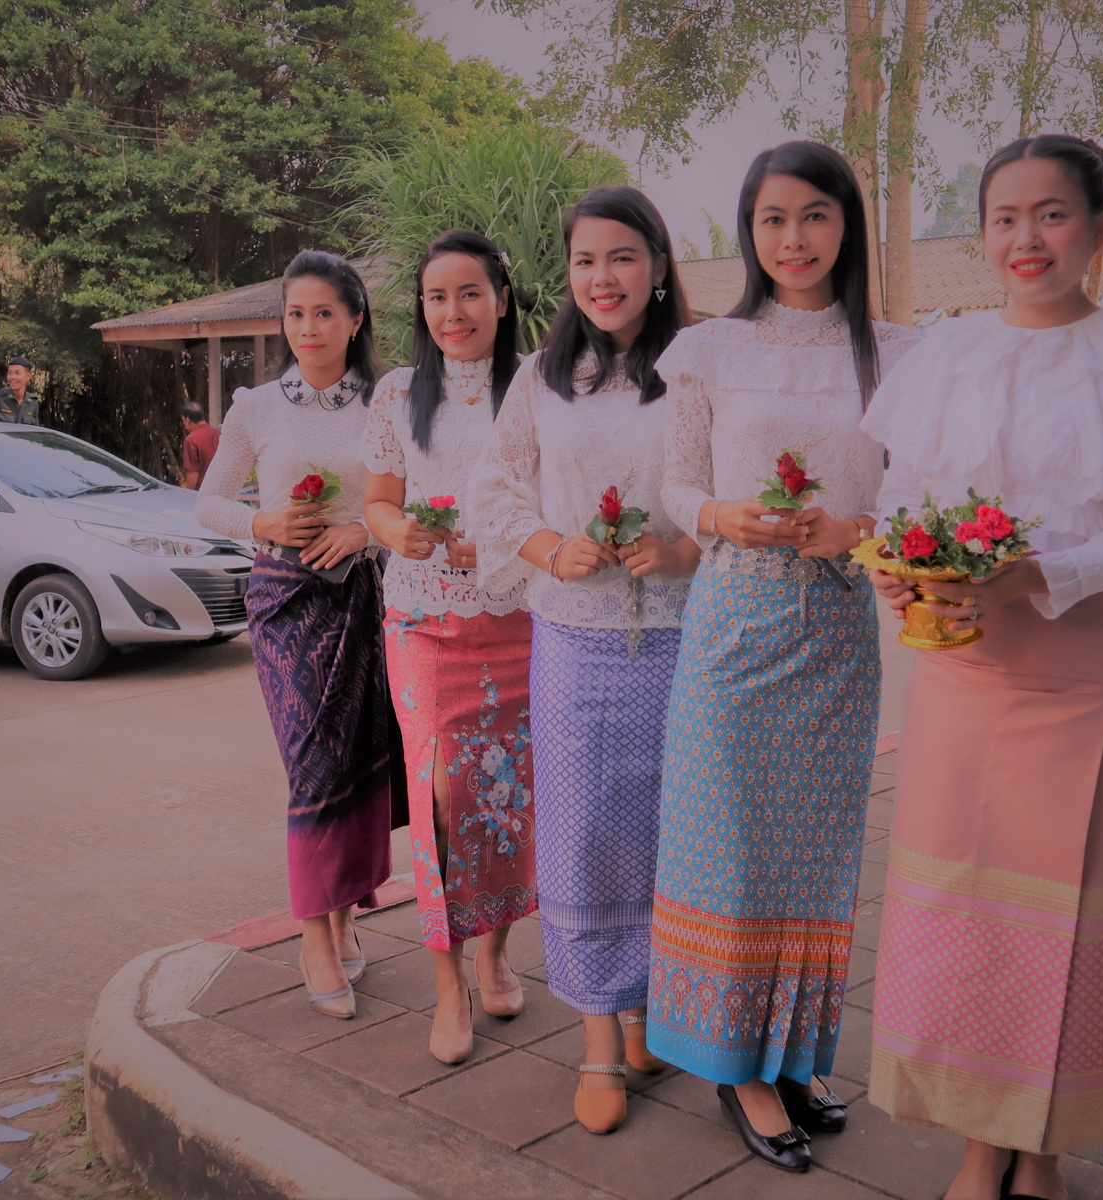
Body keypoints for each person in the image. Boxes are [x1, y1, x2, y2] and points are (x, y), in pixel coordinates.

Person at [859, 135, 1103, 1200]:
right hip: (965, 667)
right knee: (965, 908)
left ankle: (1048, 1143)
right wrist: (898, 571)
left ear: (1099, 228)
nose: (1028, 238)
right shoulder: (948, 353)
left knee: (1073, 911)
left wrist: (1042, 575)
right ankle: (981, 1139)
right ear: (982, 236)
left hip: (1091, 667)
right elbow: (903, 498)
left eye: (1052, 214)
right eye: (1005, 218)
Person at [647, 141, 917, 1172]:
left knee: (818, 851)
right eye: (773, 218)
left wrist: (856, 529)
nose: (793, 238)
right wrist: (723, 514)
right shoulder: (709, 349)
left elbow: (917, 492)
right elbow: (677, 483)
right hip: (732, 621)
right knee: (732, 846)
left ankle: (797, 1054)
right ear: (750, 230)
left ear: (847, 224)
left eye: (814, 215)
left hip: (839, 626)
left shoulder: (894, 353)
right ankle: (739, 1067)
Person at [469, 187, 697, 1134]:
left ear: (658, 265)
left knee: (667, 833)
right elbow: (493, 487)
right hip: (573, 642)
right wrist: (547, 547)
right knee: (585, 833)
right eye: (585, 261)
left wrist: (682, 550)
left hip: (681, 639)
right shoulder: (541, 377)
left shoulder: (695, 369)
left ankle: (647, 1010)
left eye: (622, 257)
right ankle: (600, 1038)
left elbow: (727, 490)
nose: (603, 278)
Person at [194, 250, 407, 1021]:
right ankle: (314, 937)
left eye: (323, 313)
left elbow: (416, 502)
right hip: (284, 602)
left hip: (363, 600)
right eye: (295, 313)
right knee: (313, 766)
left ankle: (344, 916)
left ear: (355, 319)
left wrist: (364, 532)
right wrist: (265, 522)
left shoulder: (387, 402)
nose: (308, 328)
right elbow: (208, 504)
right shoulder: (256, 406)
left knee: (356, 760)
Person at [362, 229, 536, 1067]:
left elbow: (554, 503)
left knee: (506, 796)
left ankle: (497, 953)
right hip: (423, 621)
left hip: (519, 621)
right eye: (437, 297)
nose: (453, 312)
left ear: (501, 299)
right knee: (439, 796)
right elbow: (378, 503)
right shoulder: (398, 392)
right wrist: (400, 532)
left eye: (470, 294)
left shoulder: (538, 387)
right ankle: (448, 982)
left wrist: (495, 545)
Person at [180, 401, 221, 490]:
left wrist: (188, 494)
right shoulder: (218, 434)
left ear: (187, 420)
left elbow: (193, 472)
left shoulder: (191, 439)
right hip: (221, 487)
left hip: (202, 490)